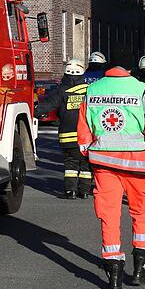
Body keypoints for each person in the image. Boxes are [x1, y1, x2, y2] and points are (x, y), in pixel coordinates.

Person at [78, 65, 145, 289]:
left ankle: (114, 275)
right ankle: (141, 269)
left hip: (103, 164)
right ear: (130, 70)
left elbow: (83, 133)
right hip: (138, 165)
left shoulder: (92, 90)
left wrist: (91, 152)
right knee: (141, 213)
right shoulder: (141, 90)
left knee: (108, 216)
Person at [57, 59, 92, 199]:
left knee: (70, 164)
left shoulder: (61, 90)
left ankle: (70, 191)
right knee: (86, 165)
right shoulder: (90, 90)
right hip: (86, 136)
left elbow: (48, 105)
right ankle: (84, 192)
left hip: (67, 136)